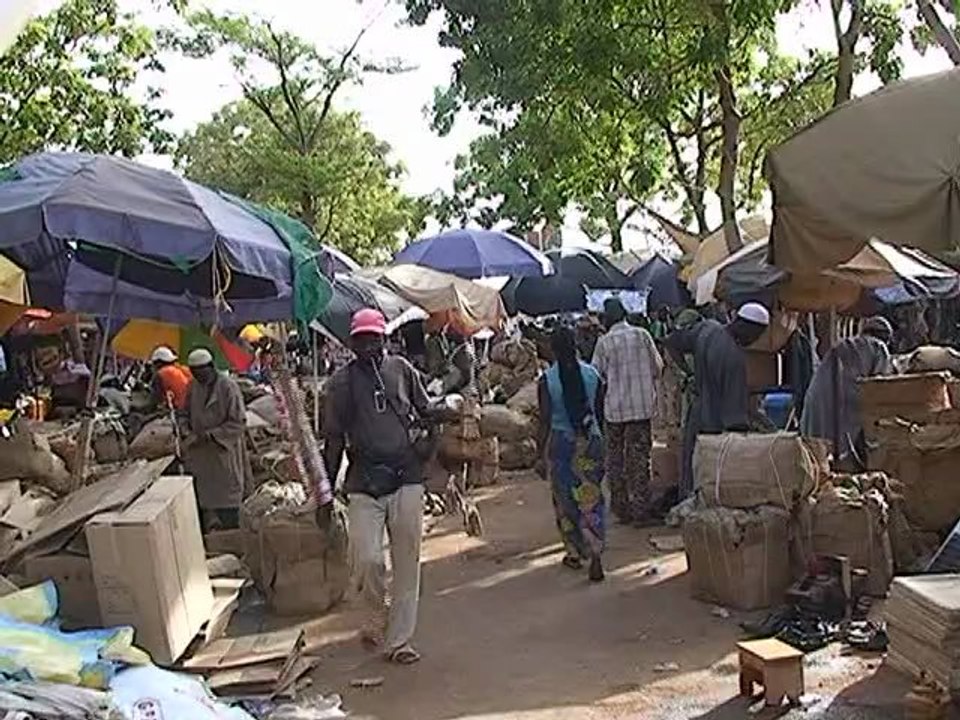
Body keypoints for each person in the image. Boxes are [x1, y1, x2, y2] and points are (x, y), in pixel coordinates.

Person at [323, 308, 431, 666]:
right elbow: (334, 440)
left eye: (375, 338)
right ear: (352, 343)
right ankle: (376, 613)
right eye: (362, 340)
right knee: (368, 561)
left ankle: (400, 641)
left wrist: (427, 446)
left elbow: (426, 411)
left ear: (385, 339)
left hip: (406, 477)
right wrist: (324, 492)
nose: (369, 345)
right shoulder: (340, 384)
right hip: (364, 482)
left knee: (407, 562)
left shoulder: (402, 370)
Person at [666, 302, 771, 498]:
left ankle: (687, 505)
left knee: (691, 465)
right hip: (714, 424)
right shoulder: (733, 358)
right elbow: (736, 418)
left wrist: (689, 373)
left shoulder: (708, 328)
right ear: (746, 327)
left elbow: (672, 342)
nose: (754, 340)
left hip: (696, 411)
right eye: (756, 335)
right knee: (708, 475)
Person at [537, 325, 606, 582]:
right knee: (592, 498)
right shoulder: (593, 375)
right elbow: (599, 415)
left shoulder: (547, 379)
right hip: (590, 442)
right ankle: (596, 551)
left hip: (562, 444)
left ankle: (575, 552)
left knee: (565, 501)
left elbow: (544, 419)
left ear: (552, 349)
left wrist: (538, 454)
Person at [591, 298, 663, 525]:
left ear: (606, 319)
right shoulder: (643, 335)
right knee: (640, 458)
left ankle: (621, 509)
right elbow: (658, 368)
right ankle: (641, 511)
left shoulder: (604, 343)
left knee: (615, 460)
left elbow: (596, 375)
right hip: (641, 409)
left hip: (615, 410)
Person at [801, 316, 892, 470]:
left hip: (818, 396)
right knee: (843, 445)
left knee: (819, 443)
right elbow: (879, 387)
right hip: (846, 400)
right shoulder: (879, 347)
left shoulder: (844, 344)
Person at [183, 348, 248, 531]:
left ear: (211, 367)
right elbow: (184, 413)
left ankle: (232, 537)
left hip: (223, 451)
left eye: (201, 372)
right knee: (204, 501)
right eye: (195, 373)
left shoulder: (228, 387)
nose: (198, 377)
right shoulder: (192, 386)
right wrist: (185, 430)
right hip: (200, 455)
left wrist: (212, 435)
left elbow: (238, 421)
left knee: (228, 501)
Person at [150, 345, 192, 411]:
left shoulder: (161, 374)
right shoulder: (185, 370)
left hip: (179, 413)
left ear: (158, 363)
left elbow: (154, 401)